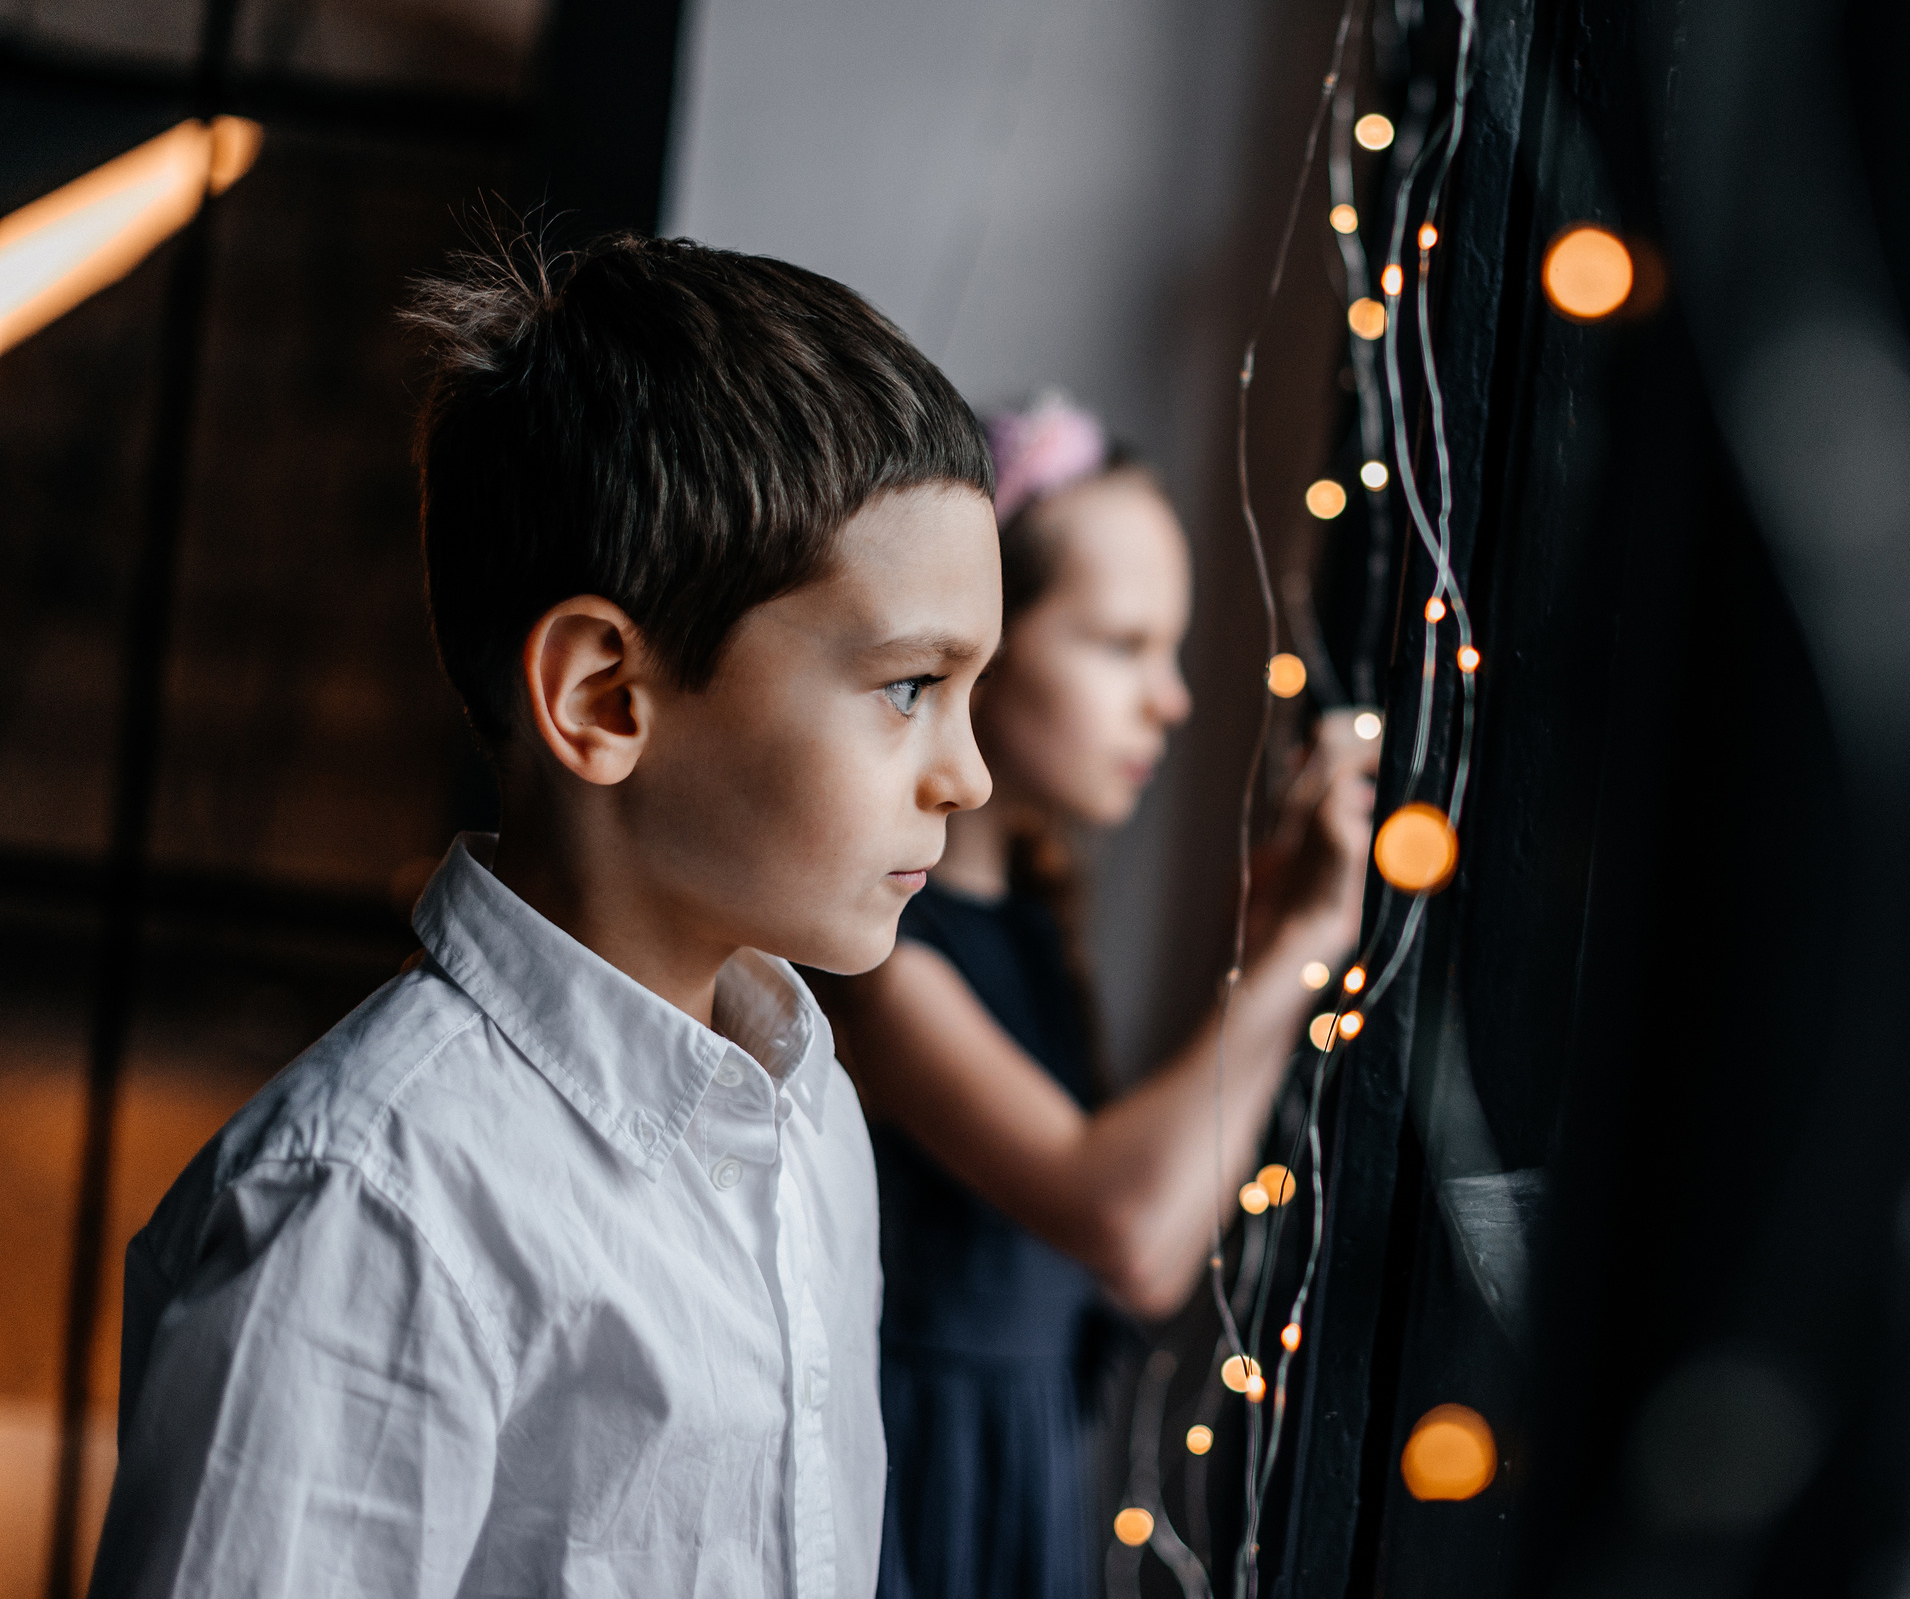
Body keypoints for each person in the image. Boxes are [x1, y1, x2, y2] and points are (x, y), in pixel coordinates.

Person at [91, 234, 1001, 1599]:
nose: (967, 775)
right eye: (909, 686)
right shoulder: (371, 1210)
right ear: (602, 698)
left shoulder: (809, 1113)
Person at [812, 391, 1375, 1599]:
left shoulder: (1030, 921)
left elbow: (1154, 1240)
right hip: (921, 1469)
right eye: (1122, 645)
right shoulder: (877, 955)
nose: (1171, 698)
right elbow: (1127, 1227)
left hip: (1023, 1460)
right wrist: (1299, 949)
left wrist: (1271, 951)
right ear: (982, 640)